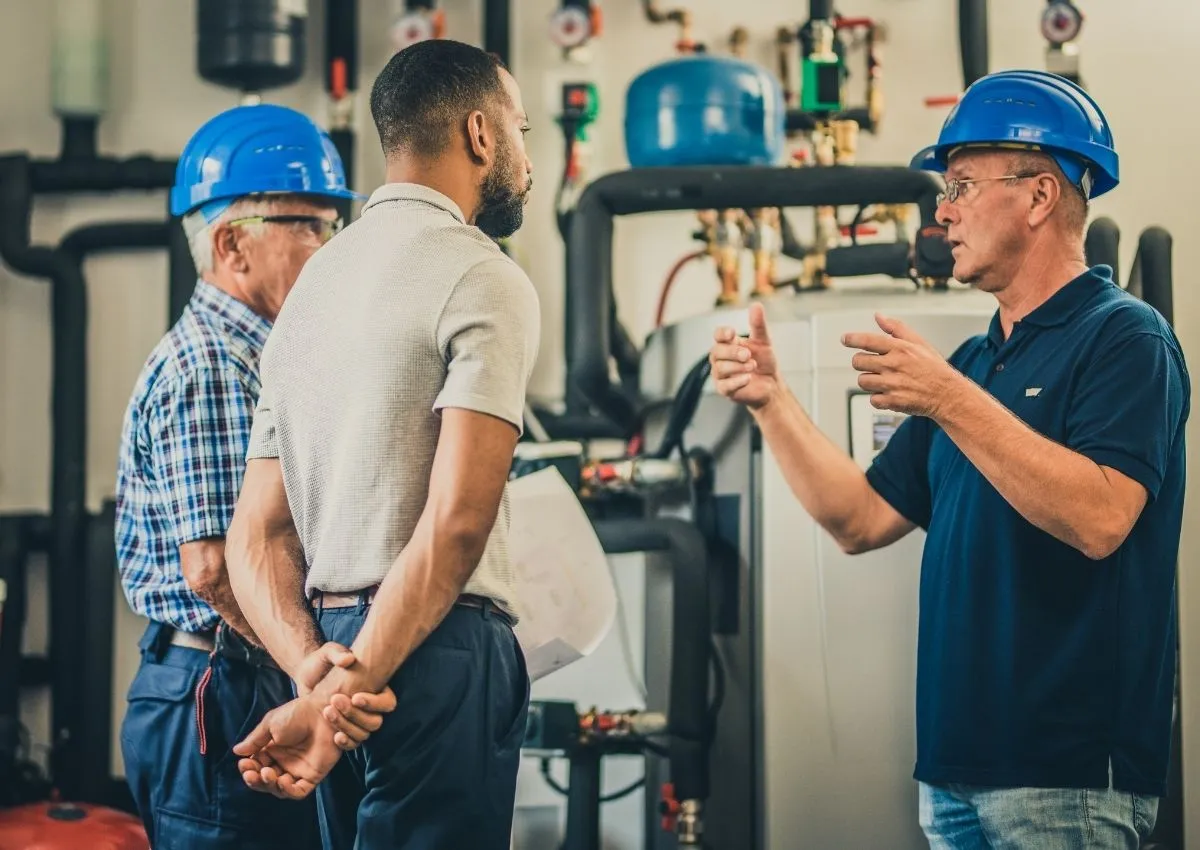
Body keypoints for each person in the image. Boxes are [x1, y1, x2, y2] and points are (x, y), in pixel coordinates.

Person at [709, 69, 1188, 849]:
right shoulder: (972, 361)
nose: (944, 209)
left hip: (1064, 779)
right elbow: (859, 520)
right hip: (954, 772)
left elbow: (1102, 518)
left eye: (962, 183)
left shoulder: (1125, 338)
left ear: (1038, 196)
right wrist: (771, 399)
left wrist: (945, 398)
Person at [220, 38, 540, 850]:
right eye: (523, 131)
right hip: (437, 651)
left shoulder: (309, 292)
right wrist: (356, 680)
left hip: (329, 646)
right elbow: (456, 522)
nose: (528, 159)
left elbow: (253, 537)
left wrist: (317, 675)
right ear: (479, 134)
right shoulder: (484, 275)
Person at [115, 102, 395, 849]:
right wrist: (316, 672)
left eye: (333, 226)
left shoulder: (265, 359)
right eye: (307, 226)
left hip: (250, 674)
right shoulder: (211, 363)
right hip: (220, 690)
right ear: (233, 245)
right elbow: (212, 567)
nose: (328, 247)